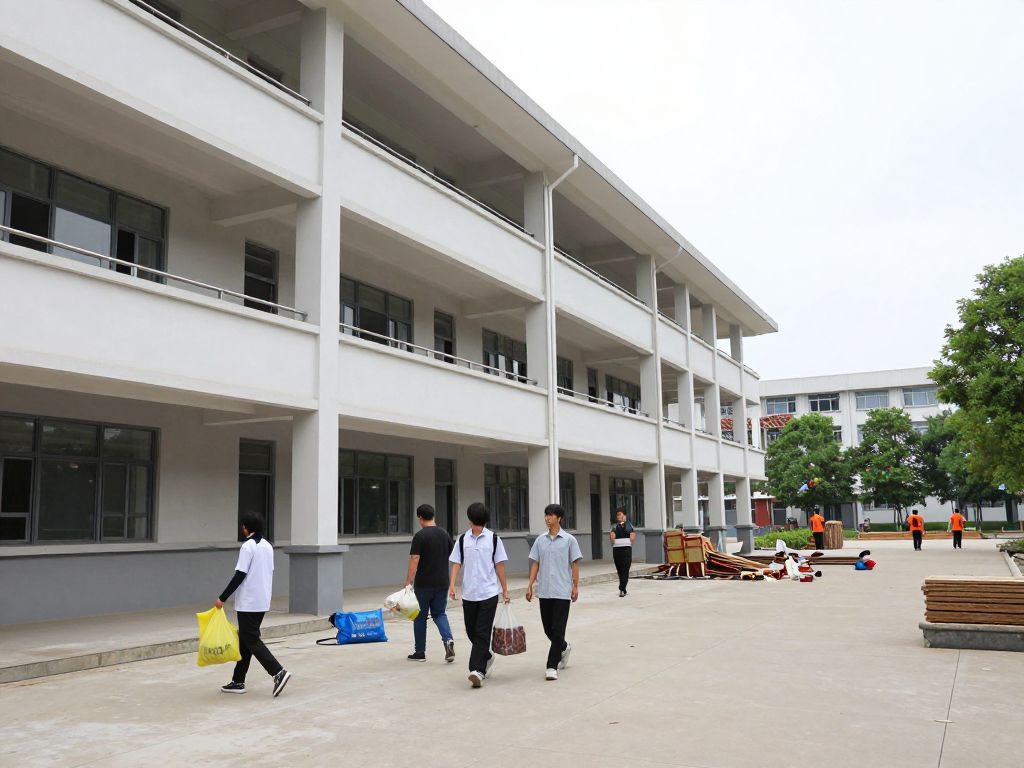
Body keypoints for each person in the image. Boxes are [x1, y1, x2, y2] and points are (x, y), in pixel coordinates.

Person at [215, 511, 290, 697]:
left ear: (247, 527)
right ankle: (238, 681)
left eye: (243, 525)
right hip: (262, 600)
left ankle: (278, 672)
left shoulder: (248, 547)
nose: (242, 528)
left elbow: (239, 575)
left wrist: (222, 598)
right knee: (245, 640)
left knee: (251, 639)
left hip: (248, 602)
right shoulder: (267, 546)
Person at [448, 502, 510, 688]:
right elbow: (457, 563)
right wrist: (452, 585)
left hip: (489, 593)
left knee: (482, 632)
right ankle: (487, 656)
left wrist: (505, 590)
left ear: (471, 519)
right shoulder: (462, 539)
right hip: (469, 594)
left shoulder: (493, 539)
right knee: (471, 631)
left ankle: (477, 670)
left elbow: (499, 565)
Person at [526, 504, 582, 681]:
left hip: (562, 590)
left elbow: (575, 564)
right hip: (544, 590)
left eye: (550, 515)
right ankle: (564, 647)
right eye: (546, 515)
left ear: (559, 518)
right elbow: (535, 563)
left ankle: (551, 666)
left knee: (558, 629)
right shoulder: (540, 540)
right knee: (547, 629)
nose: (547, 518)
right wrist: (530, 584)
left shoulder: (569, 540)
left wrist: (575, 586)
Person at [405, 504, 455, 663]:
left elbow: (415, 559)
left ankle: (420, 652)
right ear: (433, 516)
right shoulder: (444, 534)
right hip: (442, 582)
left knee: (419, 617)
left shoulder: (420, 536)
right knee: (439, 613)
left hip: (424, 584)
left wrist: (408, 582)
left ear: (420, 518)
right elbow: (452, 556)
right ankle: (448, 640)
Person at [609, 508, 635, 597]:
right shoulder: (614, 525)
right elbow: (612, 537)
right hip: (617, 550)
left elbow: (632, 537)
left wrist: (623, 525)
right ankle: (623, 588)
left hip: (626, 550)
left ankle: (621, 588)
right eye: (617, 515)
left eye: (620, 514)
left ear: (624, 515)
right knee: (620, 570)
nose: (618, 516)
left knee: (625, 569)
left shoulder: (629, 525)